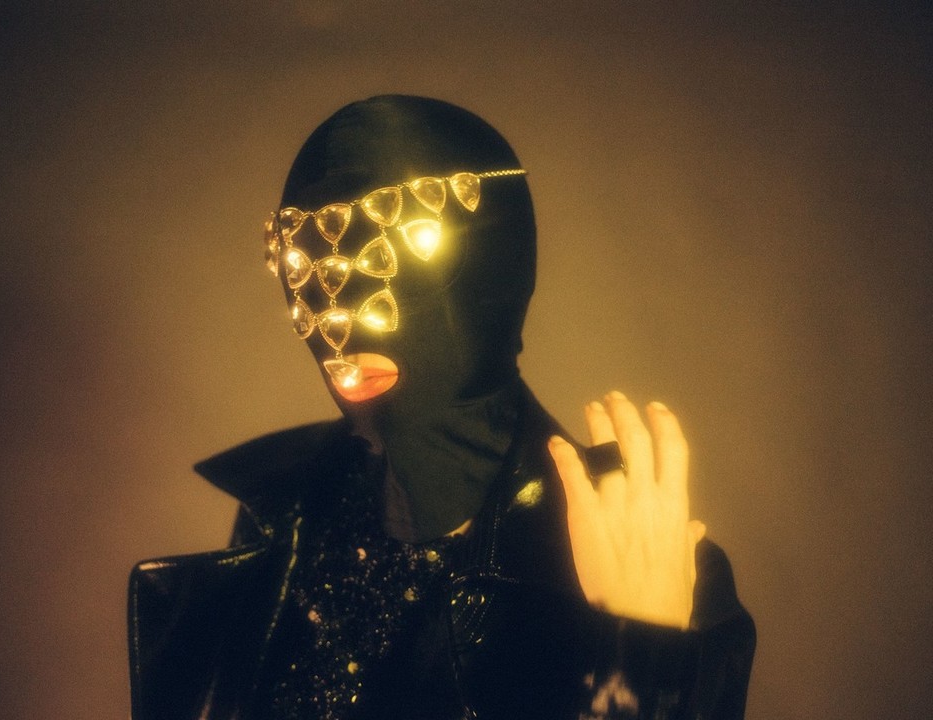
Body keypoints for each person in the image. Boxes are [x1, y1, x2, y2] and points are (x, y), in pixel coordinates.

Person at [128, 95, 755, 720]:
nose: (343, 310)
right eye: (308, 258)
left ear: (500, 264)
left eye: (407, 241)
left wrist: (641, 657)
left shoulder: (658, 570)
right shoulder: (286, 513)